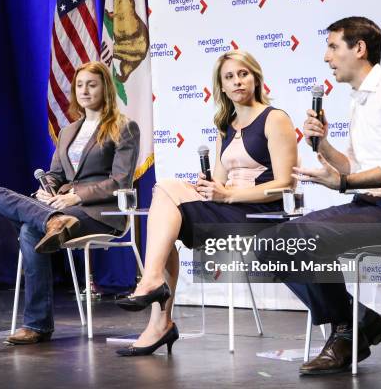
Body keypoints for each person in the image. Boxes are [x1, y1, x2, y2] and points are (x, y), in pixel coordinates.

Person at [254, 16, 381, 375]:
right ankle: (356, 322)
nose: (326, 57)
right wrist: (324, 146)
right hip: (371, 205)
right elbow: (353, 166)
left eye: (333, 46)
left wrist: (341, 183)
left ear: (360, 48)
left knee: (298, 237)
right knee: (268, 245)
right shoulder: (360, 99)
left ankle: (350, 329)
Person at [115, 50, 298, 356]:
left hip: (261, 216)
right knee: (167, 216)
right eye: (229, 77)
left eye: (243, 74)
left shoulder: (274, 119)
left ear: (255, 78)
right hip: (231, 209)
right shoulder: (225, 126)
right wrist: (213, 189)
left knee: (167, 189)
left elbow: (284, 185)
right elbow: (220, 182)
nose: (237, 81)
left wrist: (228, 194)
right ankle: (159, 321)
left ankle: (150, 283)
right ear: (222, 87)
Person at [0, 61, 140, 345]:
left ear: (105, 89)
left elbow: (120, 182)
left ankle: (36, 325)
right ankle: (50, 220)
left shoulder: (123, 127)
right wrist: (47, 190)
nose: (84, 90)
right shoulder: (69, 131)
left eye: (91, 84)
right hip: (62, 209)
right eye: (79, 85)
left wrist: (77, 196)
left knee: (28, 232)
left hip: (99, 212)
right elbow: (56, 175)